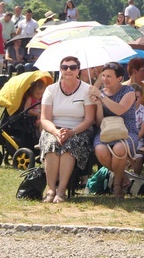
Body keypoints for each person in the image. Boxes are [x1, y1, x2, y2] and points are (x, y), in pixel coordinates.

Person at [38, 56, 96, 203]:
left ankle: (61, 191)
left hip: (79, 129)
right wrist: (56, 132)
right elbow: (45, 119)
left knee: (69, 146)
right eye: (64, 67)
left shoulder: (87, 90)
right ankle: (50, 189)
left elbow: (89, 119)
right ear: (60, 70)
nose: (68, 70)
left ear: (78, 70)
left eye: (72, 67)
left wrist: (72, 132)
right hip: (54, 128)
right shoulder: (51, 90)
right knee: (52, 144)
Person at [91, 62, 138, 199]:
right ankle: (123, 177)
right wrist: (99, 105)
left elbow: (119, 109)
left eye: (109, 76)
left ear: (119, 78)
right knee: (100, 151)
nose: (105, 79)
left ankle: (117, 185)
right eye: (103, 75)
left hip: (127, 130)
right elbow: (99, 122)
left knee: (119, 148)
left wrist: (102, 97)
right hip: (106, 130)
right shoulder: (102, 94)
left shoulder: (128, 91)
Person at [130, 84, 144, 177]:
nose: (134, 100)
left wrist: (133, 140)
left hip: (137, 138)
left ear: (141, 97)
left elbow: (142, 131)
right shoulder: (123, 109)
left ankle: (135, 178)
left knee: (139, 158)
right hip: (123, 137)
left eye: (137, 97)